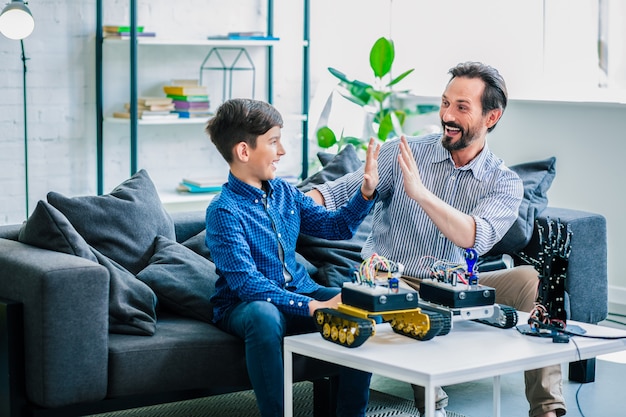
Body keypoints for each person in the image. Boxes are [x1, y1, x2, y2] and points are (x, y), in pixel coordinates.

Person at [307, 62, 565, 417]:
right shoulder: (406, 152)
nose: (448, 115)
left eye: (462, 107)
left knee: (529, 282)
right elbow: (335, 194)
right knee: (407, 299)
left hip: (452, 282)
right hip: (392, 277)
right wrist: (281, 201)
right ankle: (433, 405)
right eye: (446, 103)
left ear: (491, 117)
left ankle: (547, 410)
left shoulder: (504, 182)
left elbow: (475, 236)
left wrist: (421, 193)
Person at [204, 98, 381, 417]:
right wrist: (312, 306)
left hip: (300, 290)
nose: (282, 151)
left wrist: (365, 193)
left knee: (360, 304)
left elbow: (336, 226)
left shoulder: (285, 193)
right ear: (244, 151)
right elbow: (247, 285)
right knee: (264, 315)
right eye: (273, 142)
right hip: (245, 306)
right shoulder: (223, 211)